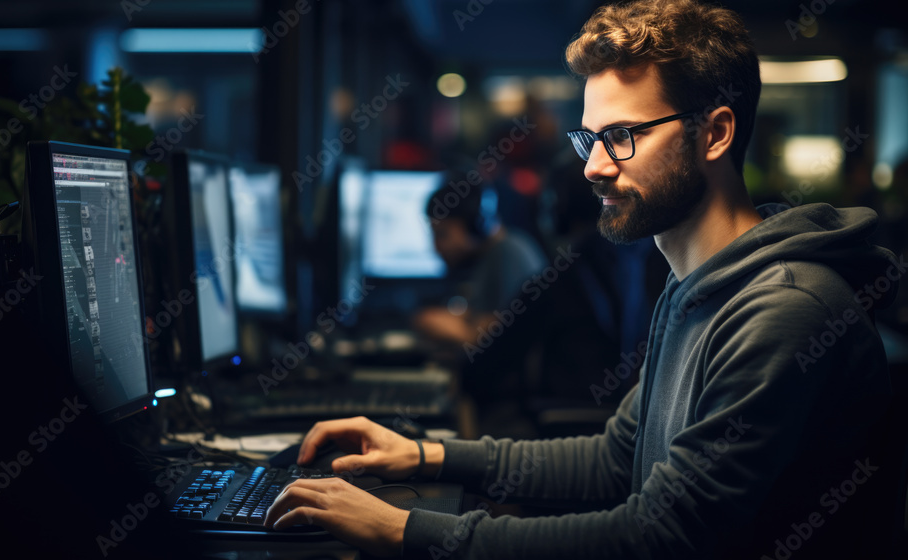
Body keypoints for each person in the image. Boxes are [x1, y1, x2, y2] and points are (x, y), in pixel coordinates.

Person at [263, 1, 902, 557]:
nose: (594, 166)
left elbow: (660, 539)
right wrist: (423, 454)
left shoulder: (783, 310)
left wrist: (405, 529)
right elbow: (615, 459)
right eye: (589, 137)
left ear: (715, 133)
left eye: (621, 136)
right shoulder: (692, 286)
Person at [411, 171, 547, 348]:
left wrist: (436, 324)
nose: (437, 247)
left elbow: (499, 342)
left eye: (442, 235)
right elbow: (482, 314)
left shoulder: (507, 254)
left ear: (476, 226)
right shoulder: (493, 254)